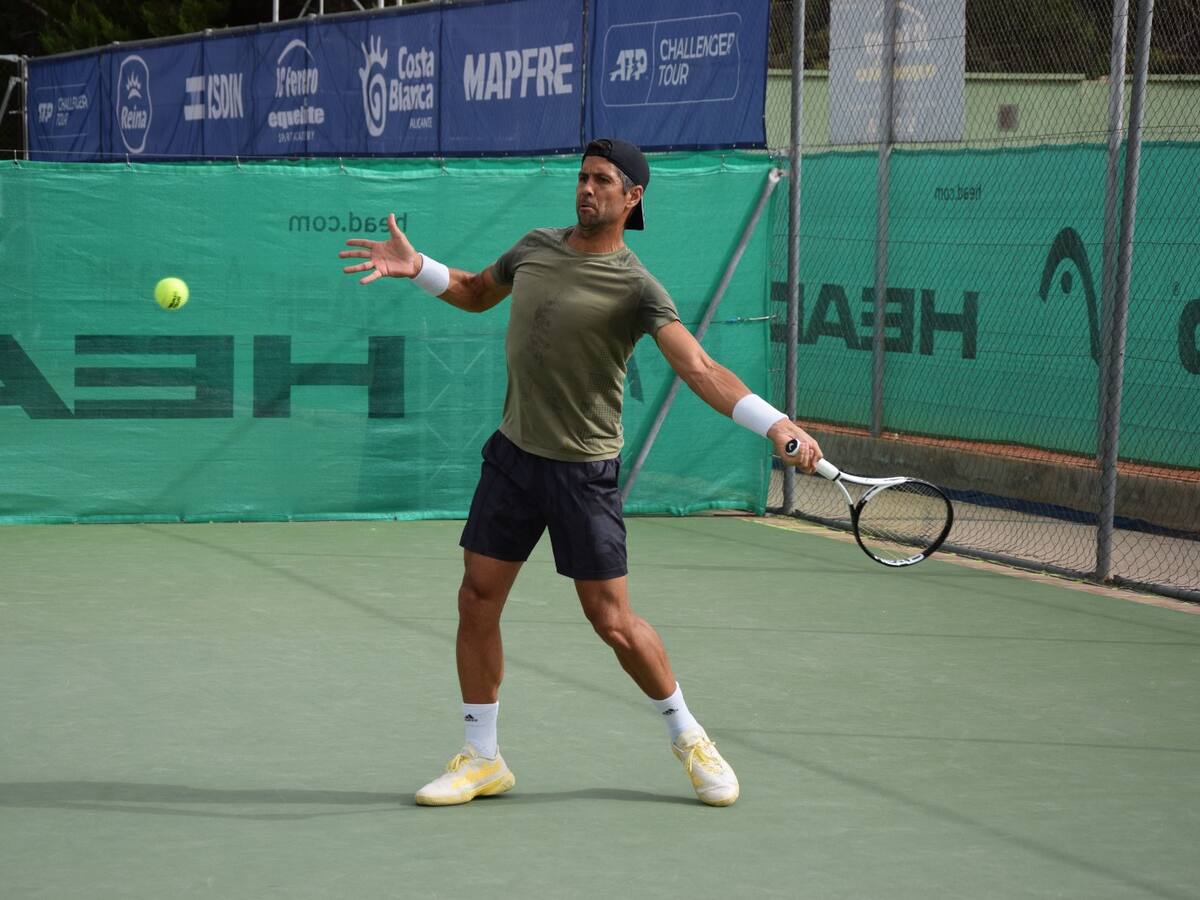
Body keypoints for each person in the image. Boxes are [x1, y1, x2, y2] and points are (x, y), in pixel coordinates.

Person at [339, 138, 821, 807]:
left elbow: (700, 369)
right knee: (477, 596)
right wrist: (418, 266)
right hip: (513, 455)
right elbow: (478, 293)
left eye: (601, 180)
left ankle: (688, 735)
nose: (586, 189)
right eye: (582, 177)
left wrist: (774, 424)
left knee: (613, 620)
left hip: (581, 472)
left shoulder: (636, 287)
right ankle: (482, 757)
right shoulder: (536, 245)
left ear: (633, 198)